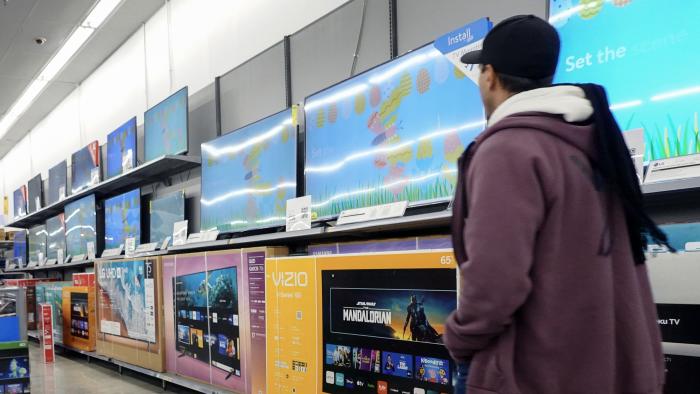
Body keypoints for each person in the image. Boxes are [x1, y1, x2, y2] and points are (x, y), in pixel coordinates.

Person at [444, 15, 669, 394]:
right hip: (598, 367)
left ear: (490, 76)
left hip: (530, 372)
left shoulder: (508, 148)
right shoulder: (594, 141)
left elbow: (495, 279)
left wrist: (458, 339)